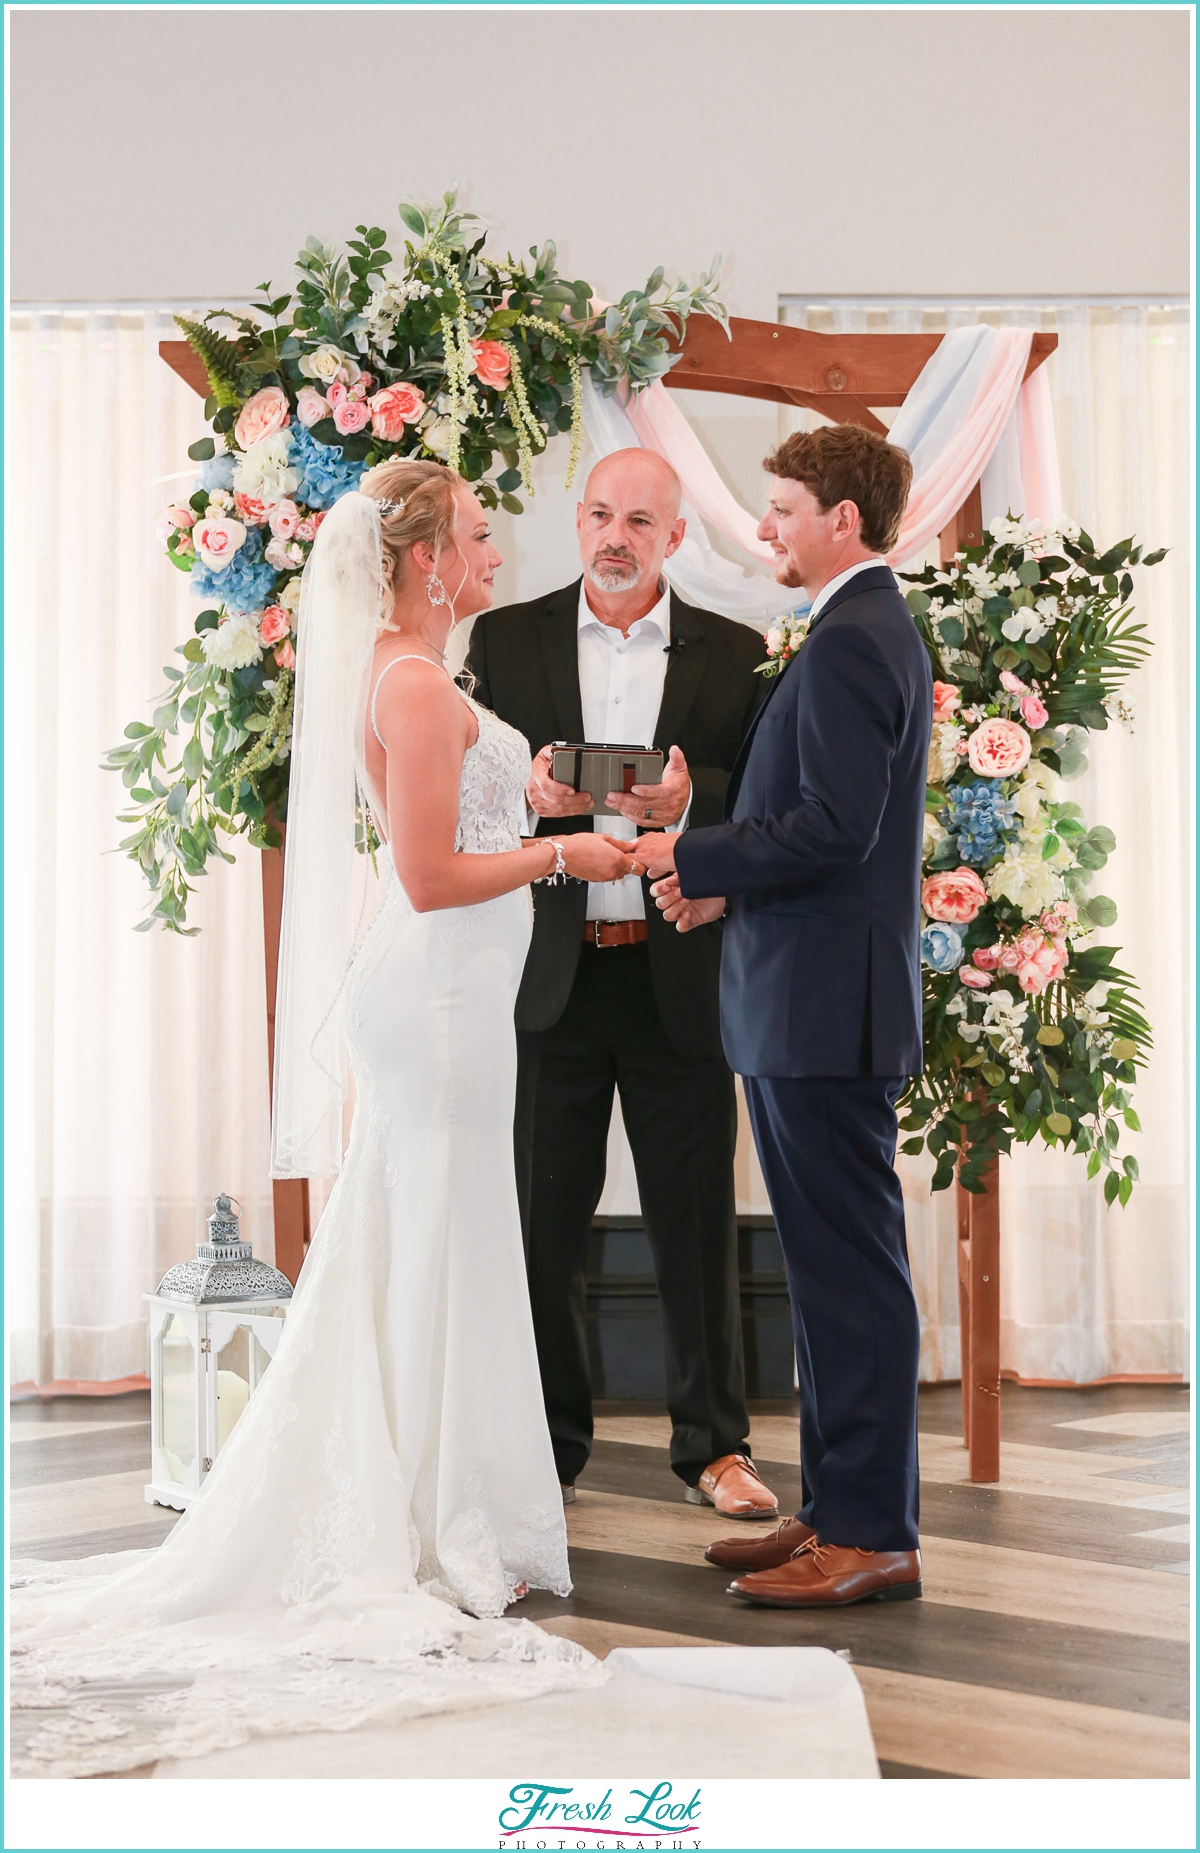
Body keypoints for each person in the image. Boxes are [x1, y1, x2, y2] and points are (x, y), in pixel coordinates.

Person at [10, 460, 625, 1776]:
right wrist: (563, 856)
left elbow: (473, 812)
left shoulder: (427, 676)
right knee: (437, 1242)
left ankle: (455, 1508)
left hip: (463, 1006)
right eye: (473, 534)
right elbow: (429, 872)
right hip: (440, 1004)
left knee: (448, 1244)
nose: (494, 550)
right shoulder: (408, 681)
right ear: (419, 560)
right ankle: (429, 1521)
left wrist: (562, 806)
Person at [634, 424, 931, 1608]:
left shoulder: (858, 636)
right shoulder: (853, 628)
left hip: (824, 1013)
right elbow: (813, 821)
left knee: (850, 1277)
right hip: (801, 997)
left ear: (841, 521)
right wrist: (718, 881)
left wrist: (686, 848)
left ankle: (872, 1533)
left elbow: (835, 826)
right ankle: (836, 1508)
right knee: (822, 1275)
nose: (765, 526)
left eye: (782, 507)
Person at [466, 448, 779, 1520]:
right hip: (548, 981)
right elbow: (456, 792)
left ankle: (714, 1448)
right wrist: (527, 790)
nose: (614, 535)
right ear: (580, 520)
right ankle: (546, 1449)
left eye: (638, 520)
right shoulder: (504, 639)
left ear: (674, 536)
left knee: (695, 1226)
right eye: (600, 513)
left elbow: (765, 803)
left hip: (676, 975)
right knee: (539, 1225)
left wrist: (695, 802)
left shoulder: (737, 657)